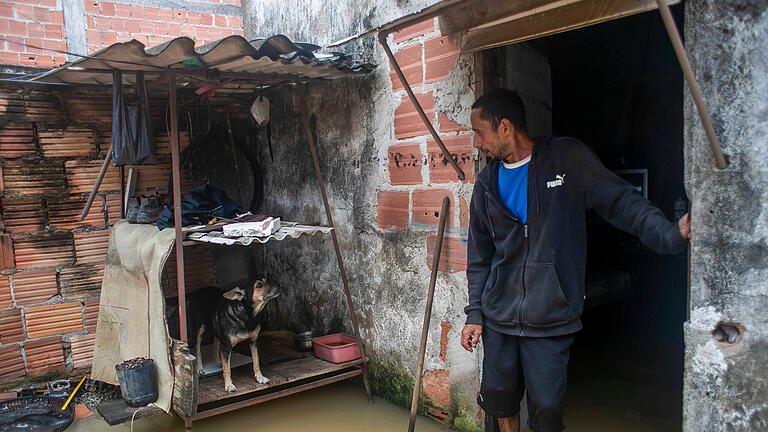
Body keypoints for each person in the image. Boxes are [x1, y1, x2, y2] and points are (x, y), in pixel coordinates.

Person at [460, 88, 690, 432]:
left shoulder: (567, 159)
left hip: (551, 317)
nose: (476, 142)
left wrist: (670, 235)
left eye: (479, 132)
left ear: (505, 127)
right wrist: (475, 314)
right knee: (499, 399)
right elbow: (479, 257)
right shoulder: (486, 184)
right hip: (499, 319)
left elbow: (622, 202)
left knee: (548, 412)